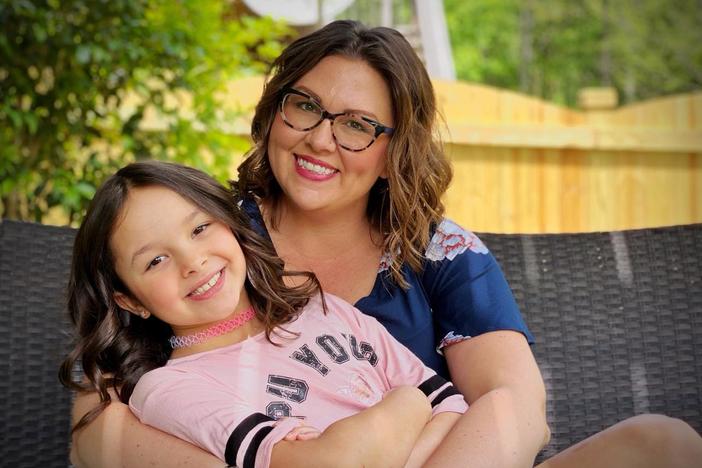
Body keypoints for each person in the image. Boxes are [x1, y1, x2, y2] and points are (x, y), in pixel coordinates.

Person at [68, 20, 702, 468]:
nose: (321, 139)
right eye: (306, 107)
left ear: (395, 149)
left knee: (662, 445)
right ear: (271, 114)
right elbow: (97, 437)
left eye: (359, 125)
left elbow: (515, 413)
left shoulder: (441, 253)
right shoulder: (211, 241)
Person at [60, 160, 469, 468]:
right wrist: (408, 402)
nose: (193, 261)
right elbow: (328, 464)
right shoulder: (168, 388)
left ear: (231, 225)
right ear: (131, 301)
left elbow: (453, 407)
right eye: (156, 260)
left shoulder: (324, 309)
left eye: (200, 229)